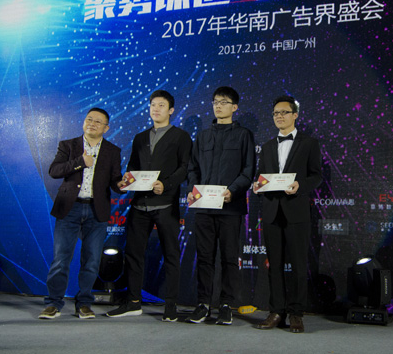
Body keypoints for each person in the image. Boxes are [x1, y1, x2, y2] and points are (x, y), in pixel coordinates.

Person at [106, 90, 191, 322]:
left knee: (171, 255)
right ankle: (133, 302)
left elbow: (184, 168)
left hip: (165, 205)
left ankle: (171, 305)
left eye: (161, 105)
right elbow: (133, 166)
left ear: (171, 110)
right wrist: (127, 179)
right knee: (133, 254)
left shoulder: (181, 136)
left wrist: (167, 184)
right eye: (153, 105)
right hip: (139, 205)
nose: (156, 109)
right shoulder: (140, 137)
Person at [39, 108, 122, 320]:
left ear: (106, 128)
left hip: (97, 209)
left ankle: (84, 303)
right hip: (70, 207)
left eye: (98, 121)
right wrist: (80, 162)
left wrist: (122, 185)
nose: (92, 123)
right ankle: (53, 303)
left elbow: (115, 180)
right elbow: (54, 171)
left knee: (92, 260)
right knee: (61, 258)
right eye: (89, 119)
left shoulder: (112, 150)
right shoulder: (68, 145)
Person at [186, 86, 256, 325]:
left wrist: (233, 191)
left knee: (229, 257)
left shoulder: (244, 135)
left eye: (224, 102)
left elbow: (248, 170)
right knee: (204, 257)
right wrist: (193, 190)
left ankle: (226, 305)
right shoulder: (203, 136)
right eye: (216, 101)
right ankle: (203, 304)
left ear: (234, 107)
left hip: (230, 207)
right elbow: (193, 168)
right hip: (204, 207)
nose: (218, 105)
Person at [253, 96, 322, 333]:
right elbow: (263, 176)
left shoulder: (309, 143)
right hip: (272, 211)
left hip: (297, 212)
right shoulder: (267, 146)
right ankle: (276, 311)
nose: (279, 116)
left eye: (284, 112)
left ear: (295, 115)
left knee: (299, 265)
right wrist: (258, 185)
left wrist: (300, 185)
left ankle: (296, 313)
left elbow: (317, 175)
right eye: (275, 113)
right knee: (274, 265)